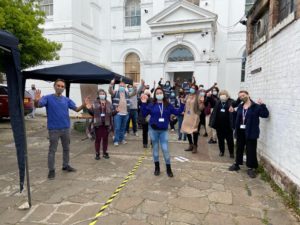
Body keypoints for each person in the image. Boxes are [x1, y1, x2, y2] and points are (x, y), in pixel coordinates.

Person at [34, 79, 86, 180]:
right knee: (52, 150)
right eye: (58, 85)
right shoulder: (48, 98)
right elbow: (39, 105)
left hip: (66, 128)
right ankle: (51, 170)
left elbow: (76, 109)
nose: (60, 88)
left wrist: (83, 105)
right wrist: (36, 101)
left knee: (66, 148)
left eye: (62, 86)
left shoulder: (66, 100)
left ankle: (65, 165)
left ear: (64, 88)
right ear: (54, 86)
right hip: (53, 129)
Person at [140, 87, 185, 177]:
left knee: (165, 149)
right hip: (153, 130)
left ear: (163, 94)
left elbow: (178, 112)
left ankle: (169, 168)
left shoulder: (168, 105)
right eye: (157, 93)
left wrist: (182, 104)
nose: (159, 94)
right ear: (155, 95)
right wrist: (143, 103)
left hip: (164, 131)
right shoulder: (152, 104)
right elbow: (144, 114)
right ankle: (157, 168)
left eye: (161, 92)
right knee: (155, 150)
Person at [229, 90, 269, 178]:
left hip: (251, 132)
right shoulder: (240, 106)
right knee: (239, 148)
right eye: (240, 97)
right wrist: (233, 112)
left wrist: (263, 105)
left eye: (243, 95)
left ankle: (251, 168)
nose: (242, 97)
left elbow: (265, 114)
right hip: (240, 131)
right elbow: (239, 117)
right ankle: (237, 164)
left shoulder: (256, 107)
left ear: (248, 95)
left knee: (251, 150)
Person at [86, 89, 113, 160]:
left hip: (106, 124)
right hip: (98, 124)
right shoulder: (95, 103)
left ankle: (105, 152)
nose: (102, 95)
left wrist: (116, 111)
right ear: (98, 95)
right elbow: (92, 113)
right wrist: (89, 109)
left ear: (105, 95)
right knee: (98, 139)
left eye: (103, 93)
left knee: (105, 139)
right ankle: (97, 153)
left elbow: (111, 114)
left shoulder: (109, 103)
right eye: (101, 93)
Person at [109, 79, 137, 146]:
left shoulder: (127, 93)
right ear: (118, 86)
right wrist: (111, 84)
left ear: (125, 86)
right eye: (120, 85)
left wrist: (134, 87)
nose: (122, 86)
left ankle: (122, 139)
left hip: (125, 113)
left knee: (123, 128)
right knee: (117, 128)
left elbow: (134, 93)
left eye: (123, 85)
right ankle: (116, 140)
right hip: (117, 114)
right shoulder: (115, 92)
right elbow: (110, 91)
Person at [209, 90, 235, 158]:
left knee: (230, 140)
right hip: (219, 125)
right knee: (220, 140)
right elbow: (213, 107)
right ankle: (221, 151)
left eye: (224, 94)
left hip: (228, 125)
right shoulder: (218, 102)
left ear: (227, 95)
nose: (222, 96)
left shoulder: (231, 101)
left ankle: (231, 153)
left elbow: (235, 105)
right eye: (221, 94)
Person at [181, 84, 205, 153]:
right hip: (187, 115)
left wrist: (202, 103)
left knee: (194, 131)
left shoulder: (198, 96)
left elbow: (201, 108)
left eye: (194, 88)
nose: (192, 89)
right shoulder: (188, 95)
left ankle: (195, 146)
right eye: (191, 88)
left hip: (194, 115)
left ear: (196, 89)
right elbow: (184, 103)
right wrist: (182, 100)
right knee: (187, 130)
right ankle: (190, 145)